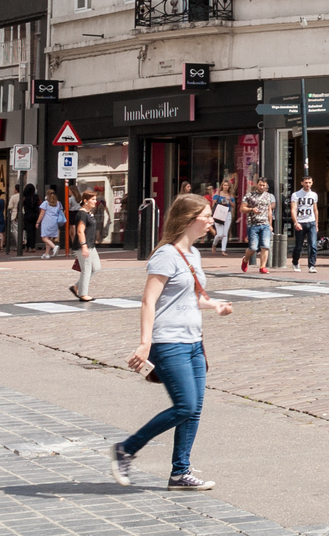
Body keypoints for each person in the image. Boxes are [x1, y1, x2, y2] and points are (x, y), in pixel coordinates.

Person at [109, 192, 233, 491]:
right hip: (168, 343)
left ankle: (180, 473)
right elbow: (148, 301)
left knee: (194, 409)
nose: (210, 221)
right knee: (185, 406)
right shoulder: (165, 255)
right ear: (189, 220)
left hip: (193, 342)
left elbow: (191, 298)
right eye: (206, 216)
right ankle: (126, 449)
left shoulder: (194, 254)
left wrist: (214, 305)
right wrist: (144, 343)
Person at [68, 190, 100, 301]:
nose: (95, 201)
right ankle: (83, 294)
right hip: (83, 245)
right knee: (86, 269)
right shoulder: (81, 214)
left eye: (95, 199)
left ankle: (76, 286)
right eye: (93, 199)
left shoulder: (88, 213)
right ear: (85, 201)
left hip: (90, 245)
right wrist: (84, 245)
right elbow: (80, 231)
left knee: (96, 267)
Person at [239, 179, 275, 276]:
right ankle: (245, 259)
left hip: (265, 224)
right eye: (260, 185)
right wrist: (251, 209)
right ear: (257, 184)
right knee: (253, 248)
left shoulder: (268, 196)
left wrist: (270, 224)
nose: (262, 187)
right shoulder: (249, 195)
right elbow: (242, 208)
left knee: (265, 246)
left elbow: (269, 210)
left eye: (264, 185)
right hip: (253, 224)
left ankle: (262, 267)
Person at [289, 175, 322, 272]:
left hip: (311, 222)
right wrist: (296, 223)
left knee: (313, 245)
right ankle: (295, 262)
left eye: (309, 182)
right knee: (298, 246)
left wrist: (316, 224)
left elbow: (315, 210)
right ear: (302, 183)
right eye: (306, 182)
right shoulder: (296, 195)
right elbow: (293, 209)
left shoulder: (314, 195)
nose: (308, 184)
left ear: (312, 183)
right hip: (301, 222)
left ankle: (312, 265)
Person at [39, 190, 65, 260]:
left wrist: (38, 222)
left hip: (46, 222)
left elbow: (42, 214)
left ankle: (54, 247)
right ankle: (47, 253)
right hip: (54, 222)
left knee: (44, 237)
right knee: (49, 238)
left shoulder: (45, 203)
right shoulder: (58, 203)